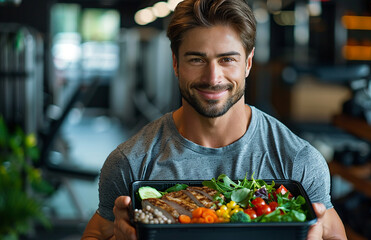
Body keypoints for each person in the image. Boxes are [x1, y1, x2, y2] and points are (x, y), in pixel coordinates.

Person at [82, 0, 347, 239]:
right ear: (175, 63)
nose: (213, 77)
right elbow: (95, 234)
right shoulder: (130, 162)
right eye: (197, 59)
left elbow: (333, 234)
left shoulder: (298, 160)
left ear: (248, 63)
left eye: (227, 59)